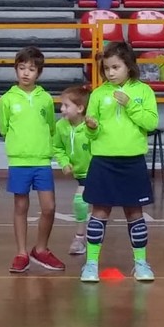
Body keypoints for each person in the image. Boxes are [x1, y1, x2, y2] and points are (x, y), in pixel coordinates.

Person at [81, 42, 159, 283]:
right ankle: (91, 264)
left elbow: (151, 123)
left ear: (129, 66)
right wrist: (91, 127)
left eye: (116, 67)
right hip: (103, 161)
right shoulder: (98, 94)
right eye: (106, 68)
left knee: (135, 213)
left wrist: (130, 104)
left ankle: (141, 263)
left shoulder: (144, 92)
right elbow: (91, 133)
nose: (110, 73)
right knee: (99, 212)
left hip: (132, 161)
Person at [0, 46, 65, 274]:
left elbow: (51, 126)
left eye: (32, 69)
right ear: (16, 69)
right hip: (19, 161)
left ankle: (41, 249)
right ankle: (21, 253)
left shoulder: (45, 99)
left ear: (39, 73)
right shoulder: (6, 99)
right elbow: (4, 128)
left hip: (42, 160)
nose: (26, 73)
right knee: (20, 206)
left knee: (49, 207)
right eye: (22, 68)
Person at [53, 85, 94, 256]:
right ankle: (80, 238)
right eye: (61, 105)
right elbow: (57, 147)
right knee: (80, 202)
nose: (62, 109)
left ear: (80, 108)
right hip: (81, 174)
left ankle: (91, 238)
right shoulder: (60, 126)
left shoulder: (91, 126)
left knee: (97, 206)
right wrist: (64, 163)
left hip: (97, 172)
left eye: (66, 105)